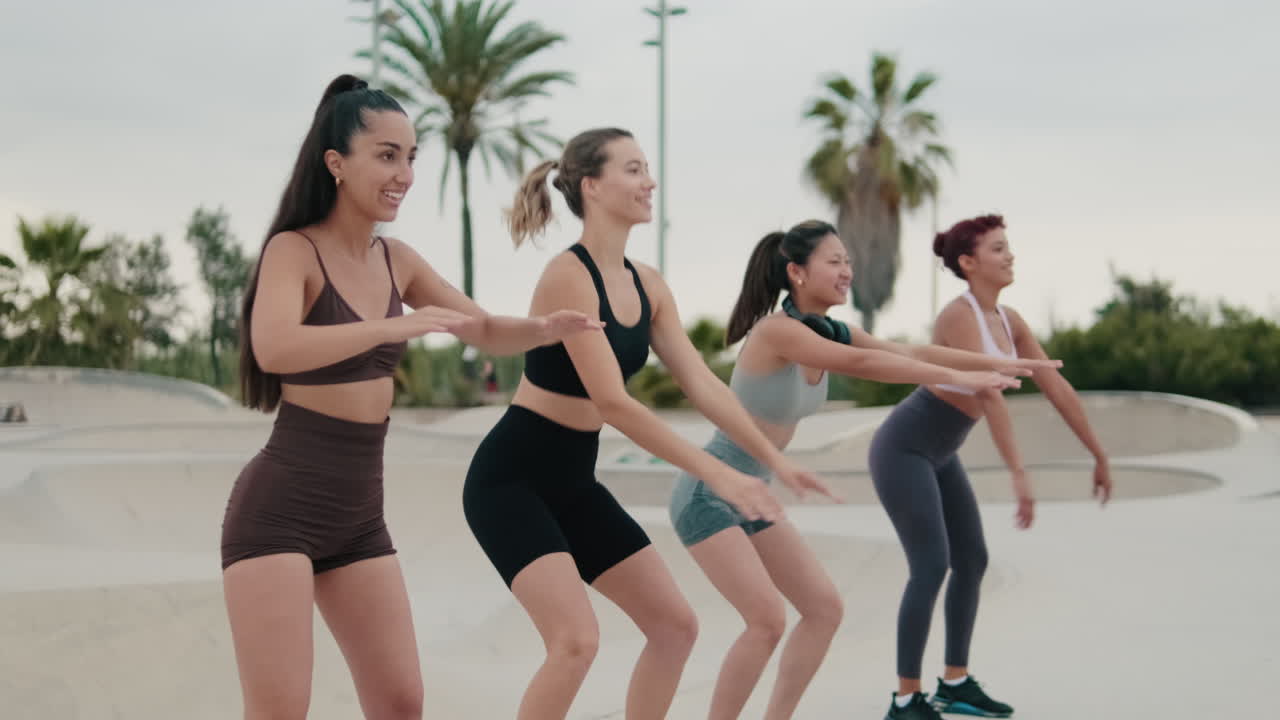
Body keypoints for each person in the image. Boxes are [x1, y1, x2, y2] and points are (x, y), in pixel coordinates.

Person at [221, 74, 599, 720]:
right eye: (387, 155)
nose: (404, 173)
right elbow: (274, 349)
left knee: (400, 703)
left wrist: (540, 330)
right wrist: (394, 325)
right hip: (277, 513)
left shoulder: (400, 261)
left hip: (359, 519)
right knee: (280, 711)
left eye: (412, 156)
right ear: (336, 164)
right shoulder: (295, 251)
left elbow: (477, 327)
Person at [462, 128, 833, 720]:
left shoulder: (648, 283)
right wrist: (720, 473)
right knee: (575, 642)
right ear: (592, 186)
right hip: (512, 480)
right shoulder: (568, 277)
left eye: (647, 169)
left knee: (674, 626)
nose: (649, 182)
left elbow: (703, 383)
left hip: (574, 483)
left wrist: (774, 457)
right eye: (633, 170)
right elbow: (613, 403)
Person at [669, 220, 1048, 719]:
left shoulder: (832, 329)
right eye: (835, 261)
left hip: (753, 492)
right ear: (797, 273)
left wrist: (994, 363)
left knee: (823, 610)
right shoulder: (778, 333)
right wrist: (959, 376)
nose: (847, 270)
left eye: (848, 260)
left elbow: (908, 352)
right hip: (708, 490)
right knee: (765, 621)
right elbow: (866, 366)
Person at [871, 214, 1113, 720]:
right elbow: (990, 391)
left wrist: (1099, 452)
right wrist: (1018, 474)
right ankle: (905, 698)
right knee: (932, 564)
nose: (1010, 256)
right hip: (905, 446)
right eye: (998, 248)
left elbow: (1057, 387)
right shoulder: (959, 316)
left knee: (972, 559)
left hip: (941, 450)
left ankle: (955, 683)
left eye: (1009, 247)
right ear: (968, 262)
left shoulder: (1010, 320)